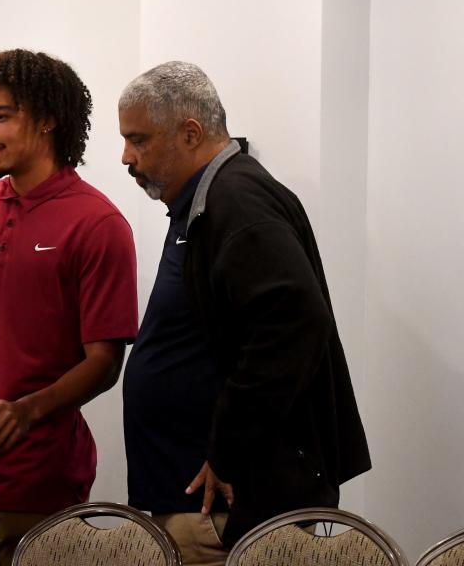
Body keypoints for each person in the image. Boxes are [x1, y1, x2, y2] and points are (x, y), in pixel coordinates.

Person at [119, 61, 371, 563]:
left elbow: (295, 320)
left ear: (190, 134)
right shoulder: (209, 199)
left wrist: (228, 447)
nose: (126, 157)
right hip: (203, 508)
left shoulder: (236, 199)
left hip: (229, 514)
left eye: (139, 139)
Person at [0, 49, 139, 566]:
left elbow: (104, 362)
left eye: (1, 116)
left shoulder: (98, 224)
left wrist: (27, 410)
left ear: (48, 119)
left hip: (36, 486)